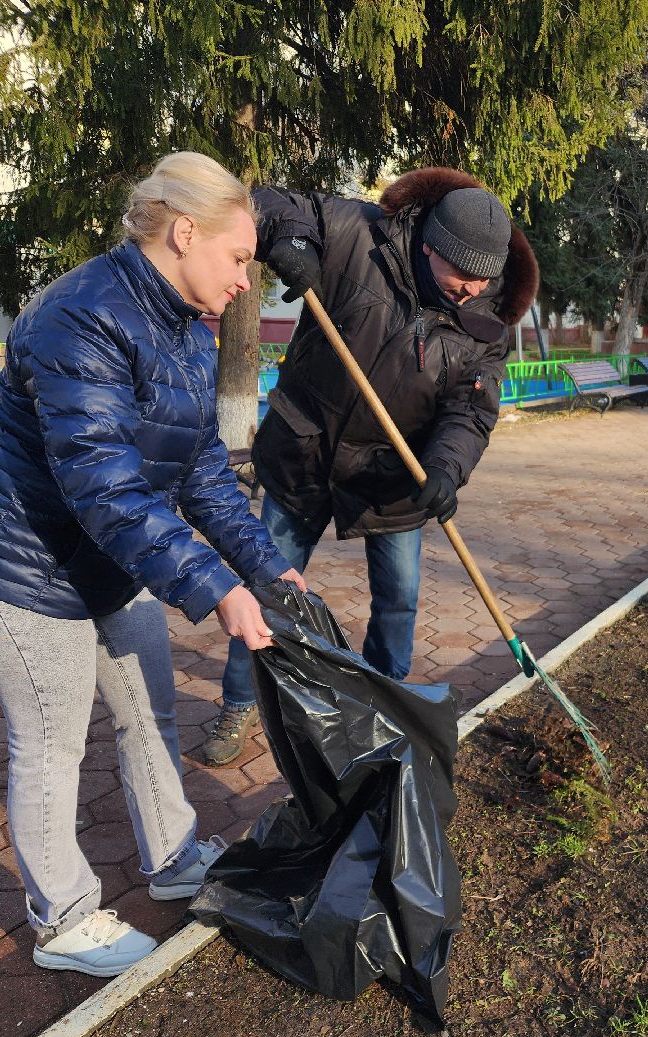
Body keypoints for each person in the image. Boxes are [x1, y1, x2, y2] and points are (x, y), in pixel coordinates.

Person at [0, 151, 306, 978]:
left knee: (150, 713)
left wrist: (265, 567)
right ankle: (62, 921)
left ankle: (173, 861)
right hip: (15, 567)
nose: (251, 280)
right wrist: (215, 590)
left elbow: (202, 468)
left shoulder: (184, 328)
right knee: (52, 740)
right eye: (239, 258)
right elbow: (104, 487)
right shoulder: (81, 315)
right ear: (183, 234)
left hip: (104, 561)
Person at [202, 167, 538, 766]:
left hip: (394, 474)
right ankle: (239, 701)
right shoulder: (360, 235)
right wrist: (294, 246)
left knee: (399, 601)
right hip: (304, 450)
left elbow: (470, 408)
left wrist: (444, 469)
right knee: (267, 584)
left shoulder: (486, 321)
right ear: (430, 244)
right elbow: (273, 204)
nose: (470, 291)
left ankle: (386, 704)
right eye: (461, 276)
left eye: (482, 280)